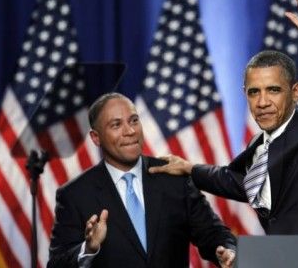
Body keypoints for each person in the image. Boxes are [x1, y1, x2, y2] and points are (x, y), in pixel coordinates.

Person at [149, 0, 298, 235]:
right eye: (254, 92)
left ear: (296, 92)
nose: (262, 101)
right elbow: (232, 181)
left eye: (273, 90)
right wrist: (189, 168)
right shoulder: (258, 149)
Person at [47, 93, 236, 268]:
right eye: (116, 125)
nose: (130, 131)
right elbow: (57, 263)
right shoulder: (75, 195)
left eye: (134, 120)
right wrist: (88, 249)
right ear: (96, 138)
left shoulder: (172, 176)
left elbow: (213, 233)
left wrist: (226, 250)